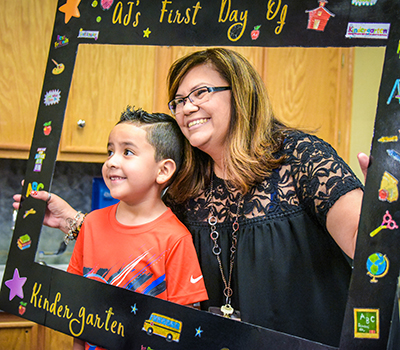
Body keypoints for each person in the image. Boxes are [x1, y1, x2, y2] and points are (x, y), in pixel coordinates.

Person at [14, 48, 364, 347]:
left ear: (240, 94)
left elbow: (367, 247)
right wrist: (74, 223)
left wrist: (386, 205)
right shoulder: (187, 184)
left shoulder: (300, 156)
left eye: (201, 93)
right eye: (180, 100)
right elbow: (145, 244)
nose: (186, 108)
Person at [63, 107, 207, 350]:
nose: (111, 162)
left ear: (163, 171)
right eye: (110, 151)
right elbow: (79, 308)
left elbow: (186, 328)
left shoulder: (176, 238)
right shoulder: (91, 224)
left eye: (127, 152)